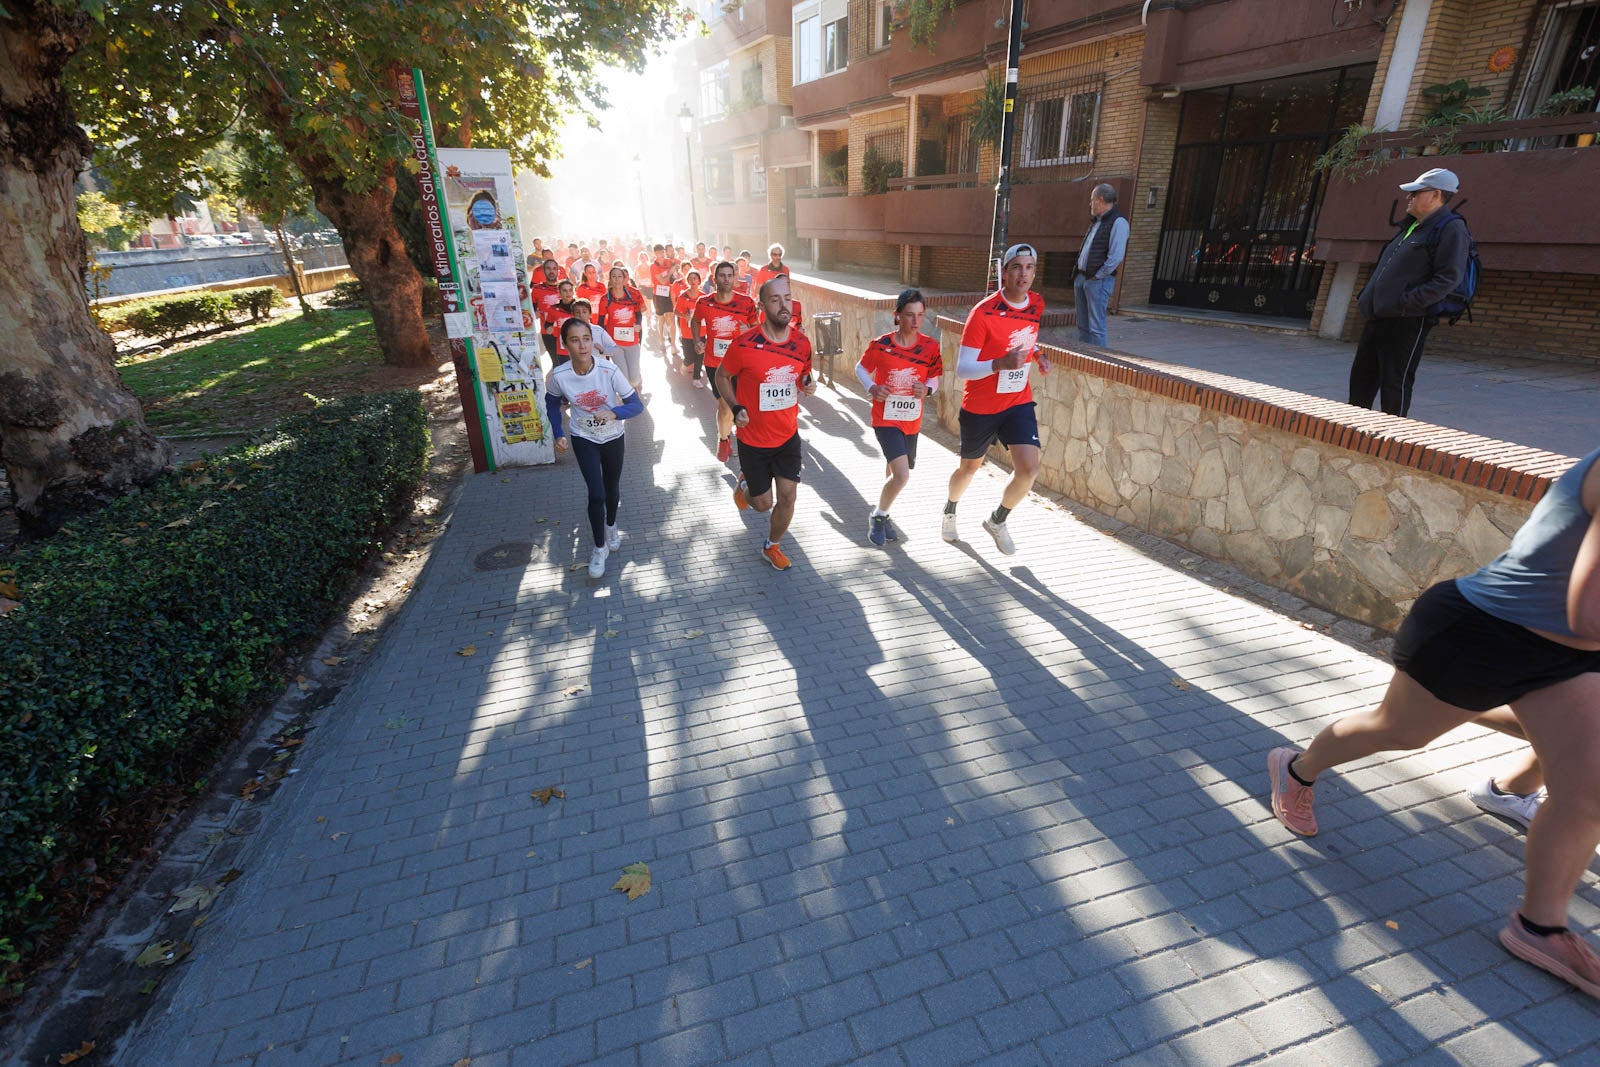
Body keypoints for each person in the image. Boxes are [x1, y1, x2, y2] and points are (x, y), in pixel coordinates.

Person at [1267, 445, 1600, 998]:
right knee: (1400, 730)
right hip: (1479, 634)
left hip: (1567, 658)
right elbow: (1588, 608)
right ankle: (1297, 769)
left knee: (1589, 789)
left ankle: (1540, 926)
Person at [943, 243, 1051, 555]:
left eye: (1029, 267)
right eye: (1017, 267)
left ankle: (997, 520)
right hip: (981, 405)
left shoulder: (1036, 304)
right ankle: (950, 510)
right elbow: (963, 368)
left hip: (1017, 401)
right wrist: (1000, 363)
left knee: (1029, 470)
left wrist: (1039, 355)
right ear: (1004, 272)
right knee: (969, 469)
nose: (1024, 274)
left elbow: (1025, 338)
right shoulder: (983, 313)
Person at [1347, 167, 1470, 418]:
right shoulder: (1413, 226)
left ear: (1435, 195)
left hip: (1406, 321)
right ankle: (1351, 437)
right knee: (1361, 383)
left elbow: (1448, 278)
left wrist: (1405, 303)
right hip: (1378, 316)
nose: (1409, 197)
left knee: (1395, 386)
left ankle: (1392, 444)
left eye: (1415, 192)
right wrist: (1367, 297)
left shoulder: (1451, 228)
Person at [715, 275, 817, 571]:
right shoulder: (745, 344)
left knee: (788, 497)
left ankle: (771, 546)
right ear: (762, 305)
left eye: (787, 297)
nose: (784, 304)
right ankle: (745, 482)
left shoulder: (801, 343)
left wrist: (807, 384)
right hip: (753, 440)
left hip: (787, 437)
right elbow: (722, 376)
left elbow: (804, 374)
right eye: (776, 299)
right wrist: (736, 407)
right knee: (762, 505)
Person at [544, 317, 645, 578]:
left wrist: (615, 413)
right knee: (596, 493)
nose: (582, 346)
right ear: (565, 345)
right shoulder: (559, 375)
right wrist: (558, 433)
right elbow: (552, 403)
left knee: (611, 489)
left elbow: (636, 405)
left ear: (593, 341)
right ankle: (599, 548)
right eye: (575, 340)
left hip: (613, 437)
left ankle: (611, 525)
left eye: (586, 339)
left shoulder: (609, 371)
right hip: (583, 437)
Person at [856, 289, 942, 547]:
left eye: (920, 315)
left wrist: (927, 390)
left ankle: (885, 510)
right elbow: (860, 368)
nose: (916, 321)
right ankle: (878, 516)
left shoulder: (930, 346)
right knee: (902, 476)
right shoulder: (881, 345)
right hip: (885, 418)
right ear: (897, 316)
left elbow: (934, 378)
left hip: (911, 421)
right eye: (909, 315)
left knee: (894, 471)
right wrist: (872, 387)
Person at [691, 261, 762, 462]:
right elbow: (695, 320)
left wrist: (747, 331)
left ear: (735, 277)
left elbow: (757, 329)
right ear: (715, 279)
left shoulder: (746, 303)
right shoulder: (704, 302)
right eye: (722, 276)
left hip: (741, 364)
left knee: (740, 405)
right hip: (716, 363)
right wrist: (697, 340)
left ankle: (737, 437)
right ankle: (724, 439)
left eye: (730, 275)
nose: (726, 279)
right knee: (724, 407)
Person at [1073, 183, 1127, 348]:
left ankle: (1098, 359)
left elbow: (1116, 256)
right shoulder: (1097, 221)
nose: (1090, 204)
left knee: (1096, 327)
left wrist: (1098, 275)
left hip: (1097, 281)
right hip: (1082, 277)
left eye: (1092, 200)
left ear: (1100, 200)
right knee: (1082, 325)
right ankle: (1084, 357)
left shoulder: (1118, 222)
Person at [597, 264, 646, 391]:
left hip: (632, 341)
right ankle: (629, 397)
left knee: (634, 378)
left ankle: (633, 385)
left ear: (624, 279)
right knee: (623, 377)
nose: (617, 279)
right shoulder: (605, 299)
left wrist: (638, 324)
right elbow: (601, 321)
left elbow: (638, 313)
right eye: (614, 276)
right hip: (615, 342)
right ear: (610, 279)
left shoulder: (634, 294)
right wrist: (602, 340)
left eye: (620, 276)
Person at [530, 258, 564, 363]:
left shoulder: (564, 287)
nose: (551, 271)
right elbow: (530, 310)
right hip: (547, 332)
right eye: (548, 268)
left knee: (567, 362)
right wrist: (534, 313)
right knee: (556, 361)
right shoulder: (537, 289)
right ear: (544, 271)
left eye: (554, 268)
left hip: (564, 331)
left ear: (558, 271)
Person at [673, 267, 704, 383]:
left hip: (701, 331)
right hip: (687, 331)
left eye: (695, 278)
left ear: (699, 281)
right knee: (690, 357)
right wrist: (684, 316)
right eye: (690, 278)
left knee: (700, 355)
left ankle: (697, 378)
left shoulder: (703, 296)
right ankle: (686, 364)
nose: (692, 280)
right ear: (687, 281)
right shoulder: (683, 296)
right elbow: (675, 311)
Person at [649, 246, 678, 354]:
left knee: (671, 317)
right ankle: (661, 339)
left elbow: (675, 276)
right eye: (659, 253)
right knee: (661, 319)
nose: (662, 254)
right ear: (655, 254)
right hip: (659, 294)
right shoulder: (653, 266)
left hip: (670, 293)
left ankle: (673, 345)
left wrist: (675, 272)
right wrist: (671, 272)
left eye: (662, 252)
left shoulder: (669, 262)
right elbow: (662, 280)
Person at [547, 279, 577, 365]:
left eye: (570, 290)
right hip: (562, 349)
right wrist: (549, 328)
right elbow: (548, 323)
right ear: (559, 293)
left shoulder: (580, 307)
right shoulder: (554, 309)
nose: (568, 293)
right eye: (564, 290)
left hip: (579, 349)